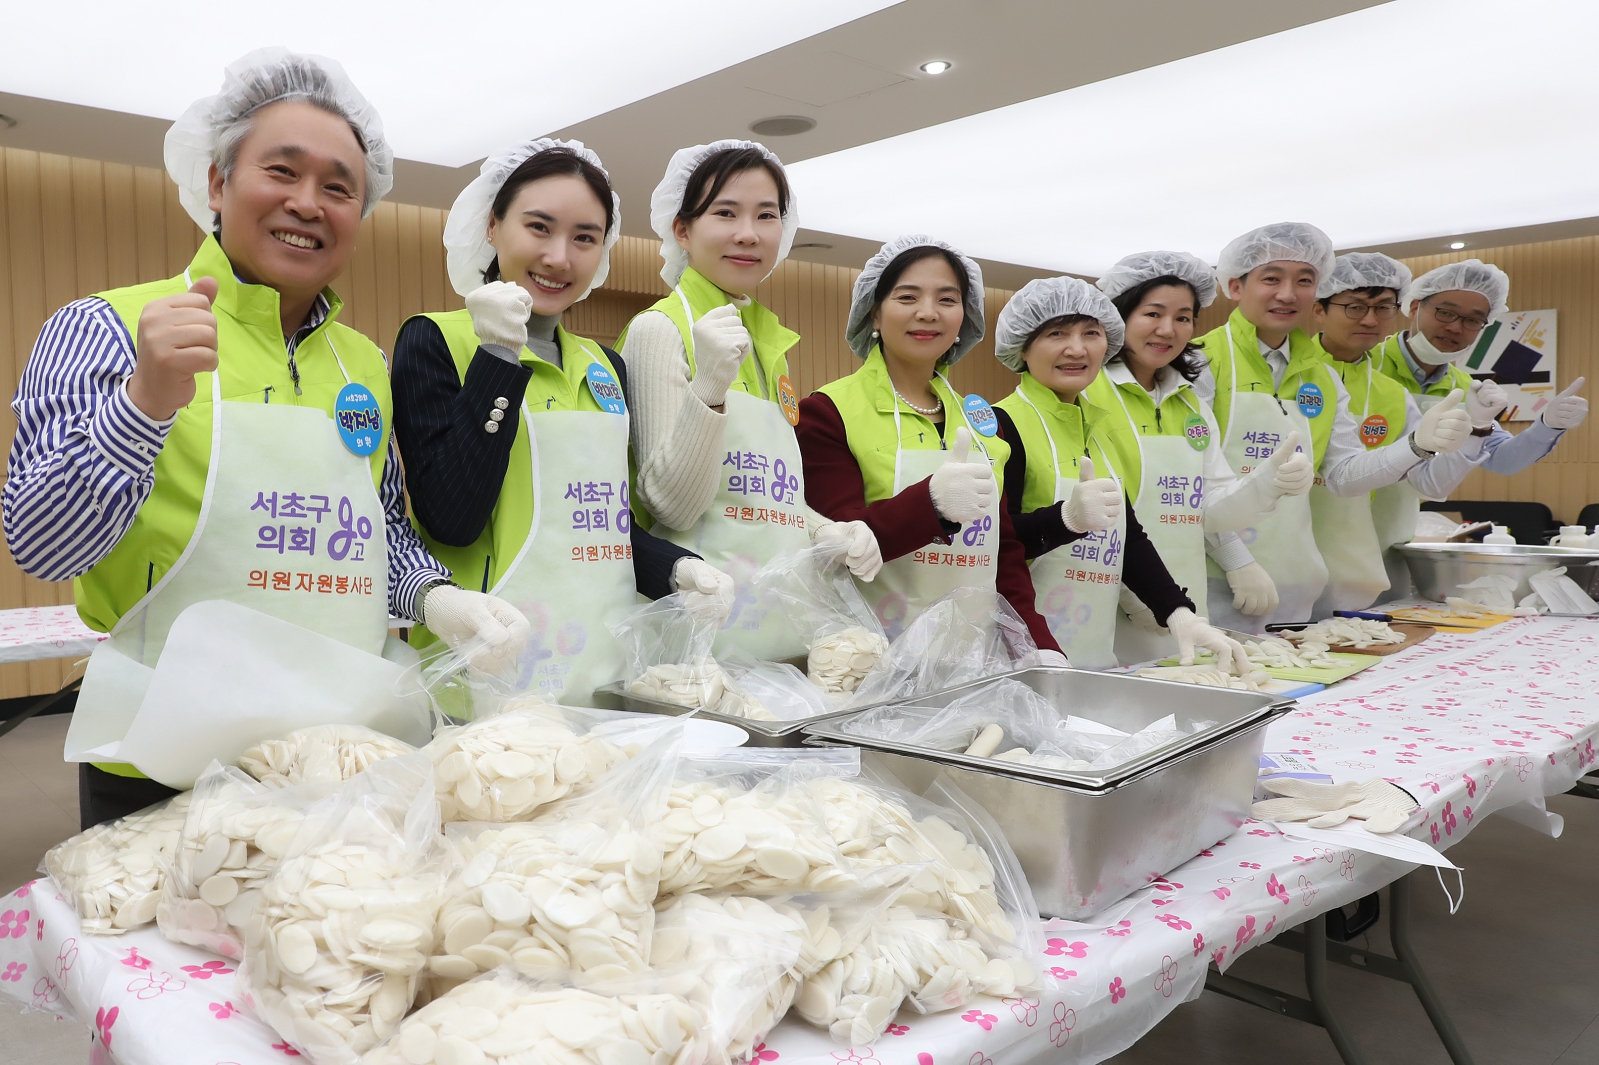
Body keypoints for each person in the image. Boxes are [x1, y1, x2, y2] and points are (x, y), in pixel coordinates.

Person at [3, 49, 527, 828]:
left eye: (338, 188)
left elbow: (375, 531)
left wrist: (435, 596)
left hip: (341, 757)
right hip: (163, 760)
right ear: (218, 183)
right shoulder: (106, 326)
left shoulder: (362, 362)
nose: (308, 203)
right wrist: (143, 403)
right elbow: (43, 545)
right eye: (281, 171)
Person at [392, 138, 735, 705]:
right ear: (492, 226)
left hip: (601, 667)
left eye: (585, 237)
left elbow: (600, 525)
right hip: (486, 677)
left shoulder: (605, 365)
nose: (559, 257)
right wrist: (497, 358)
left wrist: (677, 569)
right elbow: (452, 519)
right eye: (539, 227)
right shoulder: (434, 340)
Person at [619, 140, 881, 661]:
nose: (748, 233)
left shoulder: (766, 344)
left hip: (779, 628)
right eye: (725, 213)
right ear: (682, 230)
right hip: (699, 630)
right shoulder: (660, 329)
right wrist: (709, 387)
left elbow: (769, 498)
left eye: (766, 215)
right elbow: (670, 504)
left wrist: (828, 531)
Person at [796, 235, 1065, 661]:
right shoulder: (829, 411)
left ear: (964, 316)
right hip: (872, 662)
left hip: (974, 661)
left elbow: (1004, 552)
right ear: (874, 313)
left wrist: (1037, 648)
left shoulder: (980, 421)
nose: (928, 312)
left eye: (947, 299)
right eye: (908, 297)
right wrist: (931, 503)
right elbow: (838, 547)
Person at [1193, 223, 1472, 629]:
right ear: (1235, 286)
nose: (1288, 294)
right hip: (1208, 576)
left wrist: (1416, 445)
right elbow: (1191, 483)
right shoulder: (1199, 363)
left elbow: (1343, 476)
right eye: (1271, 279)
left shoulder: (1321, 378)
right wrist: (1237, 561)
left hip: (1293, 578)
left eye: (1304, 281)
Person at [989, 275, 1245, 670]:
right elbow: (992, 543)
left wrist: (1178, 612)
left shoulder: (1095, 427)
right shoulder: (1002, 425)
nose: (1077, 349)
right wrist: (1065, 519)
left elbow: (1128, 536)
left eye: (1091, 334)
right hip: (1024, 653)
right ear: (1022, 346)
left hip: (1094, 651)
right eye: (1057, 334)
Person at [1087, 252, 1309, 663]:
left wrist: (1267, 484)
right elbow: (1087, 514)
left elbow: (1211, 508)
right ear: (1119, 316)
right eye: (1153, 313)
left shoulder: (1190, 404)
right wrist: (1141, 596)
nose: (1167, 329)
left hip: (1183, 601)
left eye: (1183, 317)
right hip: (1103, 601)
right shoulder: (1089, 393)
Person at [1309, 253, 1492, 608]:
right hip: (1282, 548)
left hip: (1363, 553)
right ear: (1319, 309)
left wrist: (1478, 430)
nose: (1370, 319)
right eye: (1355, 307)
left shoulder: (1392, 393)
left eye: (1383, 308)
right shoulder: (1289, 376)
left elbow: (1429, 484)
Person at [1372, 259, 1587, 549]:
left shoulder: (1465, 387)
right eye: (1445, 312)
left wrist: (1549, 425)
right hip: (1339, 520)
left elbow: (1503, 460)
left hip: (1400, 531)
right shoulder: (1363, 367)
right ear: (1414, 307)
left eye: (1472, 320)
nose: (1455, 327)